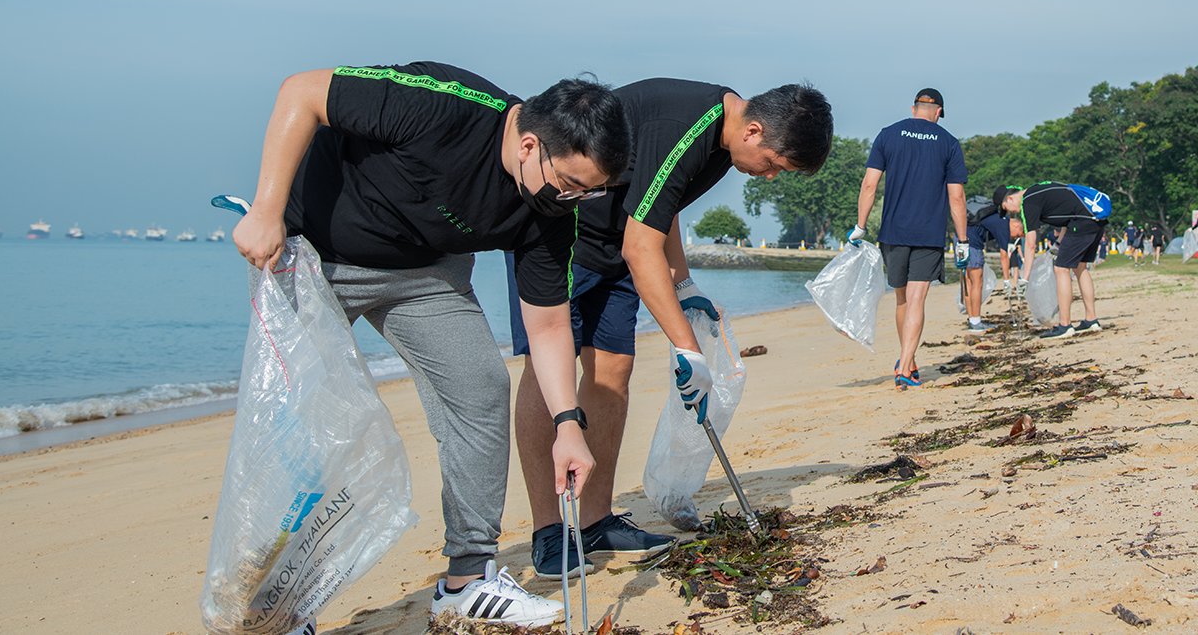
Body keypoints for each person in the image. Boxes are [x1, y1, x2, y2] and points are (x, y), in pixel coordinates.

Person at [232, 61, 632, 630]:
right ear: (527, 144)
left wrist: (569, 425)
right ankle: (278, 605)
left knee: (481, 390)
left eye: (588, 192)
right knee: (303, 421)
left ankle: (469, 579)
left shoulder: (551, 213)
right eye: (568, 183)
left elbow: (546, 328)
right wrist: (267, 211)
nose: (573, 201)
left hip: (425, 275)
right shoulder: (441, 105)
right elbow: (302, 92)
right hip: (311, 256)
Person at [506, 79, 833, 577]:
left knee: (612, 371)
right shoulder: (687, 125)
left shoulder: (724, 141)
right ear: (755, 129)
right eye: (772, 164)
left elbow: (663, 204)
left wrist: (681, 284)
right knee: (546, 377)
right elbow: (643, 246)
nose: (767, 178)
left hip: (613, 249)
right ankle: (550, 534)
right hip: (561, 237)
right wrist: (688, 349)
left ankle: (593, 522)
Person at [849, 88, 968, 388]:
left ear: (914, 108)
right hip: (928, 233)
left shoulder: (888, 135)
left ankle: (906, 360)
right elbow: (957, 197)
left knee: (902, 299)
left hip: (894, 231)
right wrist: (963, 240)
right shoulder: (949, 143)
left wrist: (860, 226)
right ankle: (906, 364)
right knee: (917, 299)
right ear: (938, 112)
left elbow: (869, 184)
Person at [994, 181, 1110, 339]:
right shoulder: (1040, 190)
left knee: (1061, 268)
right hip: (1094, 220)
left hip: (1082, 222)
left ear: (1010, 199)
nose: (1011, 214)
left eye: (1007, 210)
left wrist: (1025, 279)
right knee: (1080, 267)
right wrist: (1057, 244)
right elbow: (1067, 219)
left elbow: (1030, 244)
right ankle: (1091, 320)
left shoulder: (1028, 201)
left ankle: (1065, 325)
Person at [962, 200, 1011, 331]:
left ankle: (971, 318)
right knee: (976, 282)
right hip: (972, 243)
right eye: (1020, 233)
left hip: (959, 238)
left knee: (967, 281)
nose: (1018, 236)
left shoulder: (995, 216)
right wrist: (1006, 280)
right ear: (1017, 225)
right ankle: (976, 322)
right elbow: (1004, 255)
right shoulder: (1004, 223)